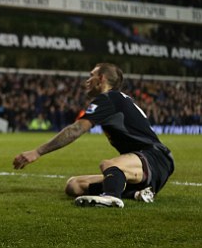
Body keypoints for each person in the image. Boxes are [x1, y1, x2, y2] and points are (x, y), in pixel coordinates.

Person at [13, 63, 175, 208]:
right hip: (141, 166)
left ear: (101, 78)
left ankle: (111, 197)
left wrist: (37, 152)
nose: (87, 80)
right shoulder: (117, 99)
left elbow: (76, 129)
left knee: (109, 165)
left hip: (154, 158)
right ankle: (137, 194)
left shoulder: (108, 98)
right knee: (74, 185)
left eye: (91, 75)